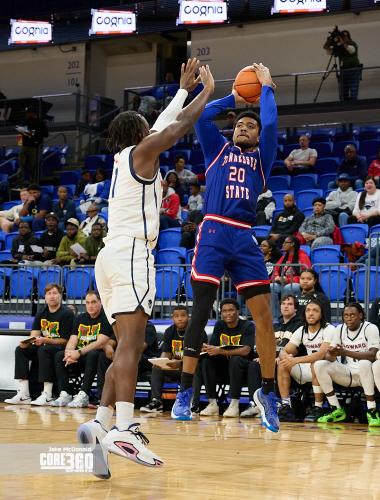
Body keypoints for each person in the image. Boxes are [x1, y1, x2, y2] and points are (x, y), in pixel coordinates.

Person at [77, 58, 214, 476]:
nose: (151, 129)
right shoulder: (143, 151)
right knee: (133, 346)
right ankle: (124, 427)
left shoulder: (124, 161)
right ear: (140, 134)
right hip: (132, 254)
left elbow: (164, 119)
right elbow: (173, 129)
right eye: (146, 127)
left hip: (109, 256)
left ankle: (100, 424)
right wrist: (204, 92)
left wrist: (180, 90)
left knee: (124, 347)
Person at [171, 63, 280, 433]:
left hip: (244, 234)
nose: (243, 127)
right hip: (215, 230)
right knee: (201, 308)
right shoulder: (217, 150)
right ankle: (186, 392)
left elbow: (271, 124)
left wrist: (265, 90)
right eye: (239, 124)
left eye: (249, 125)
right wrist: (232, 97)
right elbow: (201, 114)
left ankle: (267, 393)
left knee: (264, 314)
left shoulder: (261, 161)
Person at [4, 284, 75, 405]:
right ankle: (24, 394)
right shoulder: (41, 312)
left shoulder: (67, 313)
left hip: (60, 349)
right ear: (45, 297)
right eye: (49, 293)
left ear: (60, 295)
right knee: (20, 350)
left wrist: (45, 340)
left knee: (44, 349)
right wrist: (27, 342)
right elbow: (34, 334)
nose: (52, 296)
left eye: (54, 293)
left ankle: (47, 395)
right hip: (44, 346)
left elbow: (66, 340)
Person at [315, 303, 380, 426]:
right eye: (345, 315)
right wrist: (332, 353)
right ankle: (336, 408)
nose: (349, 318)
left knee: (364, 363)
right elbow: (330, 356)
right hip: (349, 373)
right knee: (320, 365)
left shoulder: (370, 328)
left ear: (360, 315)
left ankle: (372, 410)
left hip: (368, 375)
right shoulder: (339, 329)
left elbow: (372, 355)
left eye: (352, 315)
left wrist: (345, 352)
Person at [52, 291, 113, 407]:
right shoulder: (80, 318)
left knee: (94, 354)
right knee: (59, 356)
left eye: (94, 302)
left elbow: (100, 343)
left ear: (101, 302)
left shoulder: (106, 317)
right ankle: (65, 393)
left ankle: (84, 394)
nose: (90, 305)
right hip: (78, 356)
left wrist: (78, 352)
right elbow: (72, 339)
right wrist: (68, 353)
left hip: (92, 356)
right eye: (88, 303)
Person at [277, 300, 335, 422]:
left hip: (328, 369)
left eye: (315, 310)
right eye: (308, 310)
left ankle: (318, 407)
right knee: (283, 364)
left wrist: (296, 360)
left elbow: (322, 354)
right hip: (308, 368)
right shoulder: (302, 330)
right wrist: (287, 358)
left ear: (321, 314)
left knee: (316, 364)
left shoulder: (329, 328)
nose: (311, 313)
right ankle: (286, 406)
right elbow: (284, 351)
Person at [140, 306, 204, 414]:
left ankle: (194, 405)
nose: (180, 319)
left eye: (183, 315)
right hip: (176, 367)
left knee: (196, 369)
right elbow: (167, 353)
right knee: (157, 367)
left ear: (188, 317)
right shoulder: (170, 331)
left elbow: (199, 355)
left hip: (191, 368)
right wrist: (163, 361)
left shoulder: (196, 331)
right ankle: (156, 402)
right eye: (176, 316)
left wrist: (180, 363)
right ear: (172, 318)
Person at [200, 299, 256, 418]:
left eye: (231, 310)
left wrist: (219, 350)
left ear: (237, 311)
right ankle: (212, 404)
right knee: (206, 360)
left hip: (244, 368)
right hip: (225, 368)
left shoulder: (248, 325)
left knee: (235, 359)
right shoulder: (220, 325)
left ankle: (234, 405)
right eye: (224, 311)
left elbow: (246, 351)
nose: (227, 313)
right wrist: (206, 348)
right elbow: (214, 347)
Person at [98, 321, 159, 400]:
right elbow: (111, 342)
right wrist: (108, 347)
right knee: (103, 356)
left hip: (145, 359)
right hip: (123, 357)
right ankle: (101, 398)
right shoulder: (123, 326)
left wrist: (119, 356)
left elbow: (139, 348)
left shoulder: (148, 327)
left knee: (133, 358)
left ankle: (125, 399)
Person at [270, 236, 311, 323]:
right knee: (272, 286)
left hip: (298, 284)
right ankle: (275, 317)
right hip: (283, 283)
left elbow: (307, 275)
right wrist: (277, 277)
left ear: (292, 244)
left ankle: (287, 316)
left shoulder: (303, 256)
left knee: (288, 288)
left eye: (286, 242)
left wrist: (288, 280)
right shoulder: (284, 257)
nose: (283, 244)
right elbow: (276, 269)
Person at [323, 29, 361, 101]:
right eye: (342, 37)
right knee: (343, 92)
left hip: (354, 69)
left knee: (353, 91)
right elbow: (326, 48)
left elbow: (351, 50)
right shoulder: (339, 47)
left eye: (344, 37)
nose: (344, 38)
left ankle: (354, 106)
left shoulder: (352, 44)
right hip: (344, 70)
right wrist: (330, 39)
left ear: (348, 37)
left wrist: (341, 41)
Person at [17, 106, 48, 184]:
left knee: (32, 166)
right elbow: (19, 132)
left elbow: (45, 134)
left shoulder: (40, 122)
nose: (26, 114)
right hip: (23, 146)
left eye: (28, 113)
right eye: (26, 113)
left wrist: (32, 134)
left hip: (34, 147)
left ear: (32, 113)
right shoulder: (24, 121)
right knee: (21, 165)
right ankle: (20, 181)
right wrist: (19, 144)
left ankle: (33, 182)